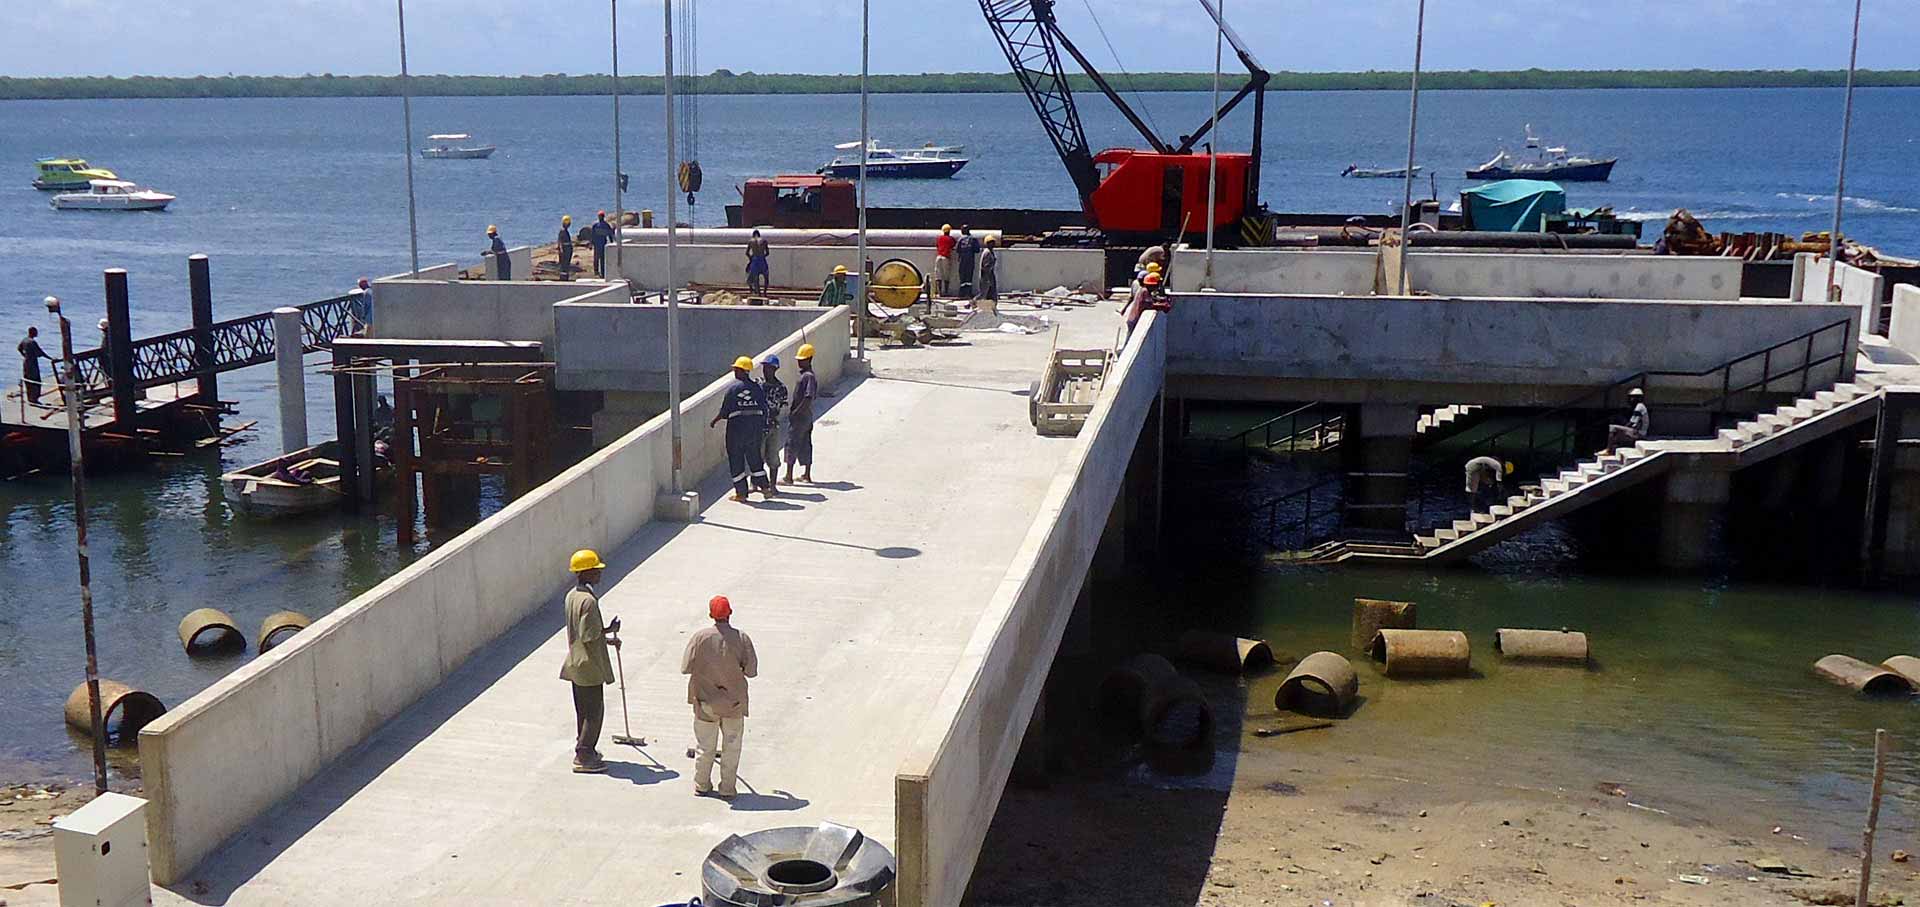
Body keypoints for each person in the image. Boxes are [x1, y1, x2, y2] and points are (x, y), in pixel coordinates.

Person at [681, 594, 758, 799]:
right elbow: (751, 671)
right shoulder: (742, 638)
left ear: (710, 615)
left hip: (705, 702)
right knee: (731, 747)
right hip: (733, 703)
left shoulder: (700, 638)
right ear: (730, 613)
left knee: (705, 747)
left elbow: (685, 667)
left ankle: (702, 784)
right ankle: (727, 788)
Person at [560, 548, 620, 774]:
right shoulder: (589, 602)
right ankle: (584, 755)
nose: (599, 574)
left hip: (575, 663)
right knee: (594, 712)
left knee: (582, 711)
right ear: (586, 572)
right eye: (596, 570)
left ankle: (585, 749)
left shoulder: (572, 595)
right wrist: (609, 631)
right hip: (589, 666)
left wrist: (605, 637)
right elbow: (589, 634)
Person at [710, 356, 773, 501]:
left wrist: (714, 420)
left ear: (742, 371)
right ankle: (765, 488)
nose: (734, 371)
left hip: (736, 432)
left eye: (736, 369)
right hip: (754, 431)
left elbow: (725, 412)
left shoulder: (733, 389)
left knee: (736, 460)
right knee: (755, 458)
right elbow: (764, 409)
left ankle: (741, 494)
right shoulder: (758, 388)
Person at [784, 343, 818, 485]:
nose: (799, 362)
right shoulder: (807, 375)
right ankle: (806, 475)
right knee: (805, 444)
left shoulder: (808, 377)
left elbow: (808, 397)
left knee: (792, 443)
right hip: (806, 417)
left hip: (801, 417)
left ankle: (788, 476)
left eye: (802, 359)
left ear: (809, 359)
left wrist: (795, 413)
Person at [757, 354, 788, 494]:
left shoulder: (781, 388)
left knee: (773, 457)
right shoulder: (758, 384)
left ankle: (773, 485)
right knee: (757, 456)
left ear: (775, 369)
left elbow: (781, 406)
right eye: (764, 367)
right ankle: (755, 484)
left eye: (768, 368)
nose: (765, 370)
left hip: (773, 427)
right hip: (758, 426)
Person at [1607, 387, 1651, 452]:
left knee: (1613, 427)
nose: (1631, 399)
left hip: (1640, 434)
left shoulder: (1639, 407)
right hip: (1638, 432)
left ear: (1639, 398)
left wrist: (1621, 429)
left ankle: (1608, 450)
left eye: (1633, 397)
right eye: (1630, 397)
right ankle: (1612, 448)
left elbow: (1631, 423)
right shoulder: (1640, 406)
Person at [17, 327, 51, 406]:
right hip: (32, 363)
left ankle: (30, 398)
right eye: (36, 332)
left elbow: (19, 348)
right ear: (32, 332)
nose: (37, 333)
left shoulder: (24, 340)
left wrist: (24, 355)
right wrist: (50, 358)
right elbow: (40, 352)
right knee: (36, 381)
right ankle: (34, 399)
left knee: (28, 380)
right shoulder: (32, 342)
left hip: (26, 362)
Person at [953, 225, 981, 298]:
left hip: (963, 260)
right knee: (967, 277)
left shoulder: (961, 240)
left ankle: (963, 293)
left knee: (964, 277)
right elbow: (977, 250)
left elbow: (957, 250)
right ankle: (967, 293)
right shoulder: (973, 239)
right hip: (969, 260)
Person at [745, 229, 771, 298]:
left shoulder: (751, 241)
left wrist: (751, 259)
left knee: (755, 278)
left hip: (755, 259)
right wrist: (763, 256)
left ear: (753, 235)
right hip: (762, 259)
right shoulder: (764, 241)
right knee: (766, 277)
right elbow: (768, 253)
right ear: (759, 235)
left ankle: (759, 294)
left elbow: (747, 253)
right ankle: (765, 293)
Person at [590, 211, 615, 278]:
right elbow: (610, 235)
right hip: (600, 244)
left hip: (600, 244)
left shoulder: (597, 225)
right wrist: (612, 242)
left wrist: (591, 243)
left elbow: (592, 235)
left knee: (599, 259)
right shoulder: (605, 225)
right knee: (600, 259)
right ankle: (600, 272)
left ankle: (598, 272)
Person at [933, 224, 956, 297]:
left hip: (938, 257)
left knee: (938, 275)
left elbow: (937, 245)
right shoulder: (950, 239)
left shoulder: (939, 238)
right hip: (946, 257)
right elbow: (953, 245)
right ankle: (945, 292)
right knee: (946, 276)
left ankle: (939, 292)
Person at [975, 237, 999, 306]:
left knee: (990, 294)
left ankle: (992, 307)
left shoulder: (990, 252)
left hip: (989, 275)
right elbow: (986, 267)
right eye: (991, 242)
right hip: (986, 276)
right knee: (983, 294)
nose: (993, 244)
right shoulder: (987, 253)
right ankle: (972, 303)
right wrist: (988, 279)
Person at [555, 215, 575, 281]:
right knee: (564, 265)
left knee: (566, 264)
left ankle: (565, 277)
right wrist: (561, 250)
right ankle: (563, 278)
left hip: (567, 250)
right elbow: (560, 241)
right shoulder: (562, 231)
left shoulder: (565, 231)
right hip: (565, 250)